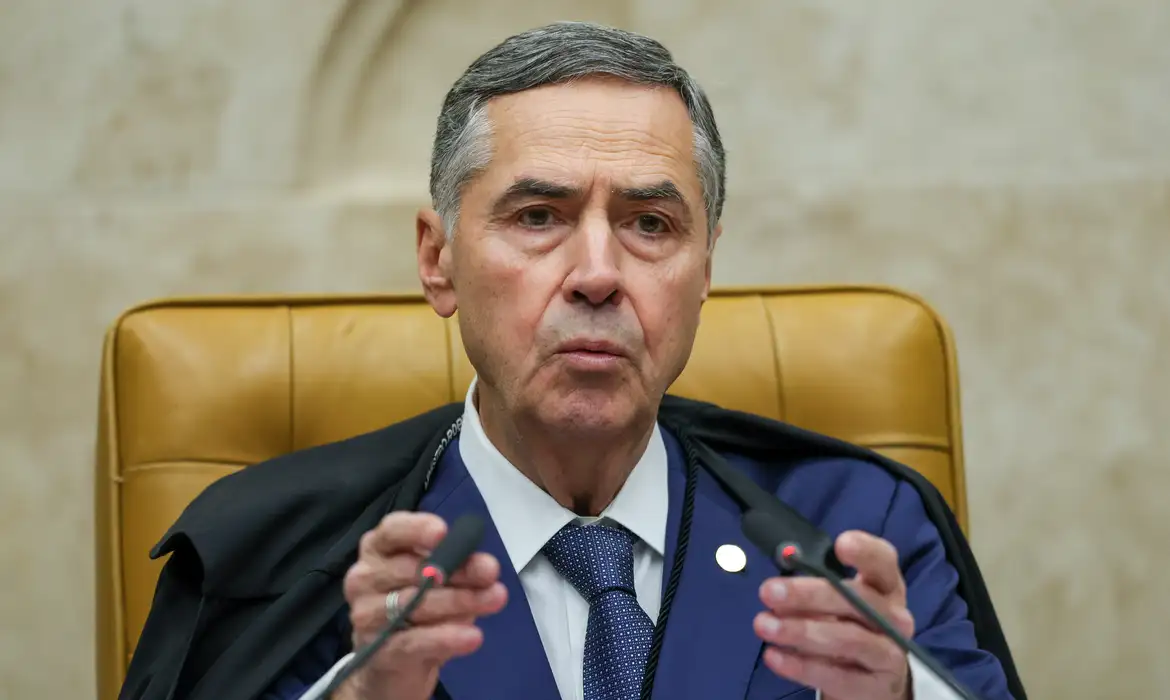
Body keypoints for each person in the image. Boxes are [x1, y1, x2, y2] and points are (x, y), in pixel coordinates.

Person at [120, 21, 1026, 700]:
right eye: (538, 217)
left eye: (650, 224)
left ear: (705, 272)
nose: (597, 274)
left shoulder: (856, 529)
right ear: (438, 260)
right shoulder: (286, 560)